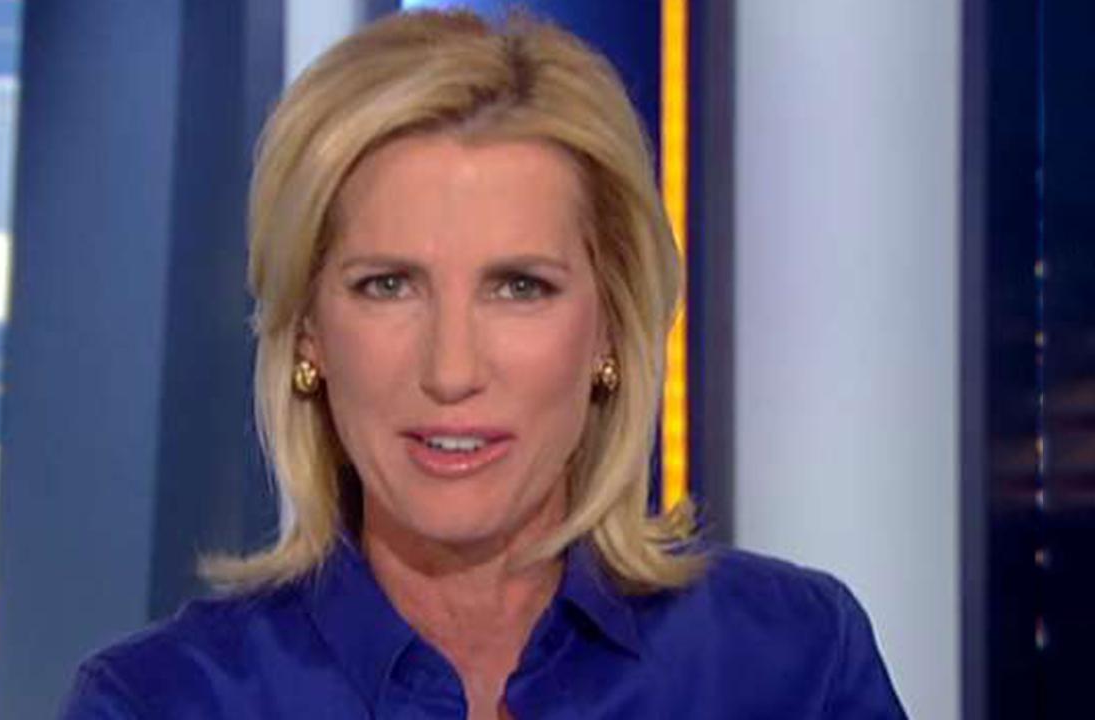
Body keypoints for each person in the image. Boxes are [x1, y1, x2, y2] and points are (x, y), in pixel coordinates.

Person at [60, 9, 905, 719]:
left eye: (519, 287)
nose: (452, 369)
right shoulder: (159, 703)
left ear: (611, 328)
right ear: (308, 332)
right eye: (388, 285)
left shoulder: (793, 664)